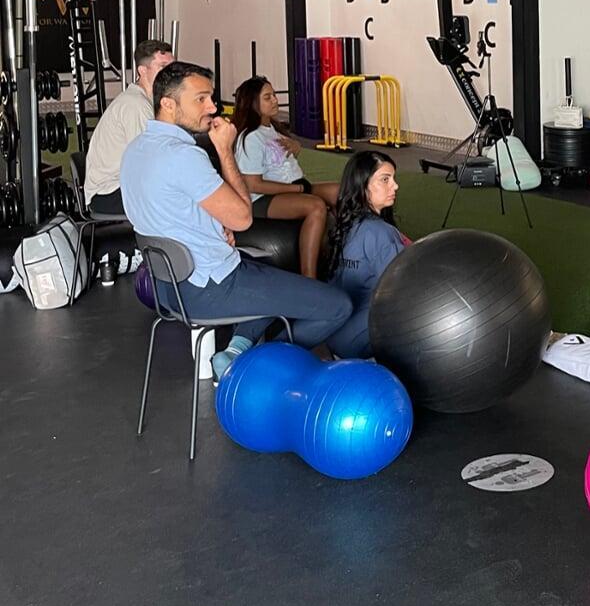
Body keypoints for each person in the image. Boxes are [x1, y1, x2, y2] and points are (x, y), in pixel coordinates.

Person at [120, 61, 351, 379]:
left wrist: (216, 225)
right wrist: (225, 151)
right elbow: (243, 219)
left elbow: (169, 207)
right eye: (200, 99)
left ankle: (235, 350)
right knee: (339, 306)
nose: (213, 107)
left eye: (211, 97)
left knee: (268, 274)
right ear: (168, 104)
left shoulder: (136, 149)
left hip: (166, 287)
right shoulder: (184, 156)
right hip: (209, 289)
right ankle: (256, 365)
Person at [231, 76, 339, 279]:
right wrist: (297, 189)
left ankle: (344, 257)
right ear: (253, 103)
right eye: (267, 97)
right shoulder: (250, 138)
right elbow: (253, 184)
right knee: (315, 206)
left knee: (340, 192)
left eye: (273, 95)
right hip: (263, 199)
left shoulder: (272, 129)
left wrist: (296, 148)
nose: (275, 100)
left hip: (295, 186)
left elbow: (279, 164)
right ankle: (309, 276)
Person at [324, 152, 409, 359]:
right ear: (362, 186)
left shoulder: (343, 224)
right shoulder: (381, 233)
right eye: (385, 179)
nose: (395, 186)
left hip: (332, 336)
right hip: (361, 343)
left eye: (393, 178)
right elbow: (405, 292)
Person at [82, 38, 175, 214]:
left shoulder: (146, 101)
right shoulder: (136, 105)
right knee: (179, 198)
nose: (171, 75)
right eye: (163, 68)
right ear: (142, 71)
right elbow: (148, 161)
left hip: (120, 187)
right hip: (108, 193)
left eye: (172, 68)